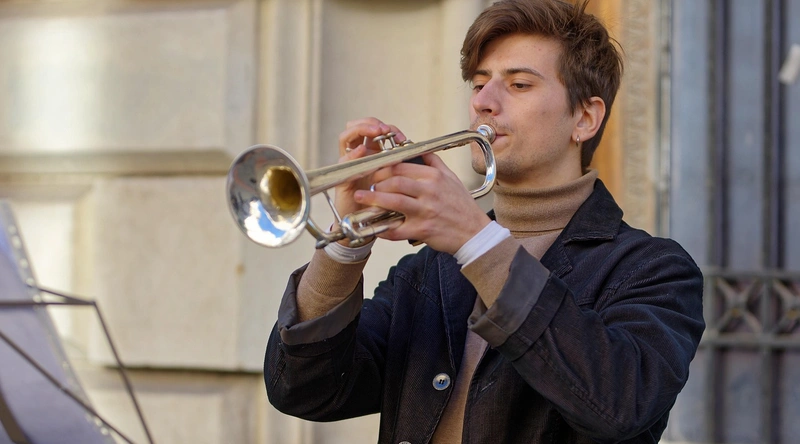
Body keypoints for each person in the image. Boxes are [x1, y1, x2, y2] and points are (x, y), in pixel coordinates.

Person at [264, 0, 705, 442]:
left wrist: (477, 240)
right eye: (478, 84)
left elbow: (617, 405)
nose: (483, 102)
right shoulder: (428, 273)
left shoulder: (652, 270)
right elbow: (305, 392)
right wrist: (345, 244)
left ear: (585, 118)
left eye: (518, 84)